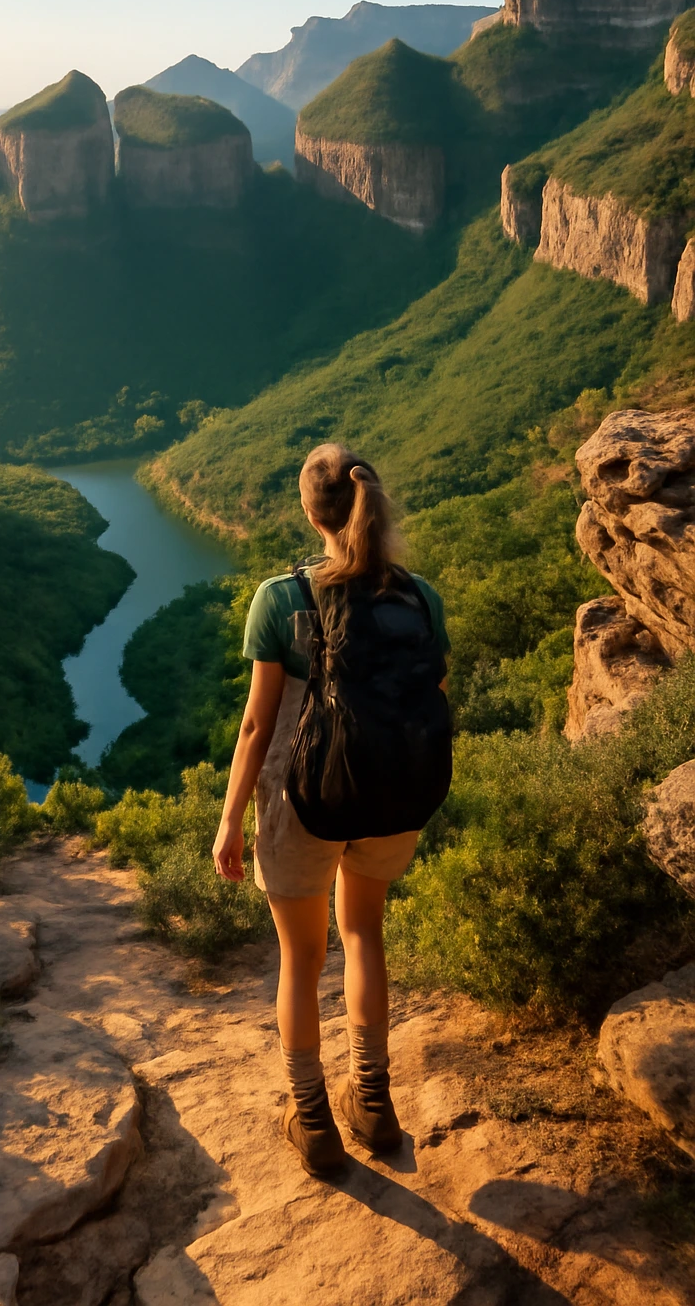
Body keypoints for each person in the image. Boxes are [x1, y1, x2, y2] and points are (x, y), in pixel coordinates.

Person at [212, 443, 450, 1177]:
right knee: (364, 933)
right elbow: (434, 699)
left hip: (302, 800)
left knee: (302, 957)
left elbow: (257, 725)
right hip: (392, 794)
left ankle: (313, 1120)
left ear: (309, 513)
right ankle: (373, 1103)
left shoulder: (282, 598)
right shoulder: (419, 596)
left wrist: (229, 818)